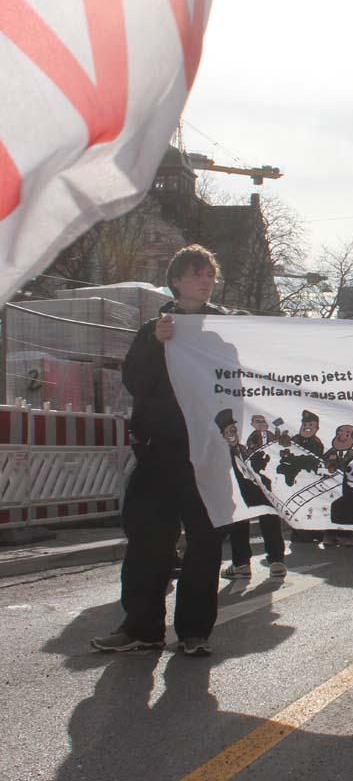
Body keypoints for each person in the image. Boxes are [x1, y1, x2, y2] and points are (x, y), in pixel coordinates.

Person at [92, 245, 241, 657]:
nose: (204, 280)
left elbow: (239, 386)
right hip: (158, 451)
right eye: (196, 273)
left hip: (205, 452)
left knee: (204, 541)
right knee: (147, 539)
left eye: (209, 273)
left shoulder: (227, 331)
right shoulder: (154, 329)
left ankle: (194, 631)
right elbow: (136, 382)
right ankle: (142, 627)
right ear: (175, 280)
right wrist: (157, 345)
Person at [217, 409, 287, 580]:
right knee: (254, 513)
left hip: (250, 478)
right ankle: (273, 560)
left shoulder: (240, 446)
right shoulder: (229, 448)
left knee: (257, 512)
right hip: (250, 479)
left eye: (233, 430)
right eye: (228, 431)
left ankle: (246, 563)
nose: (231, 434)